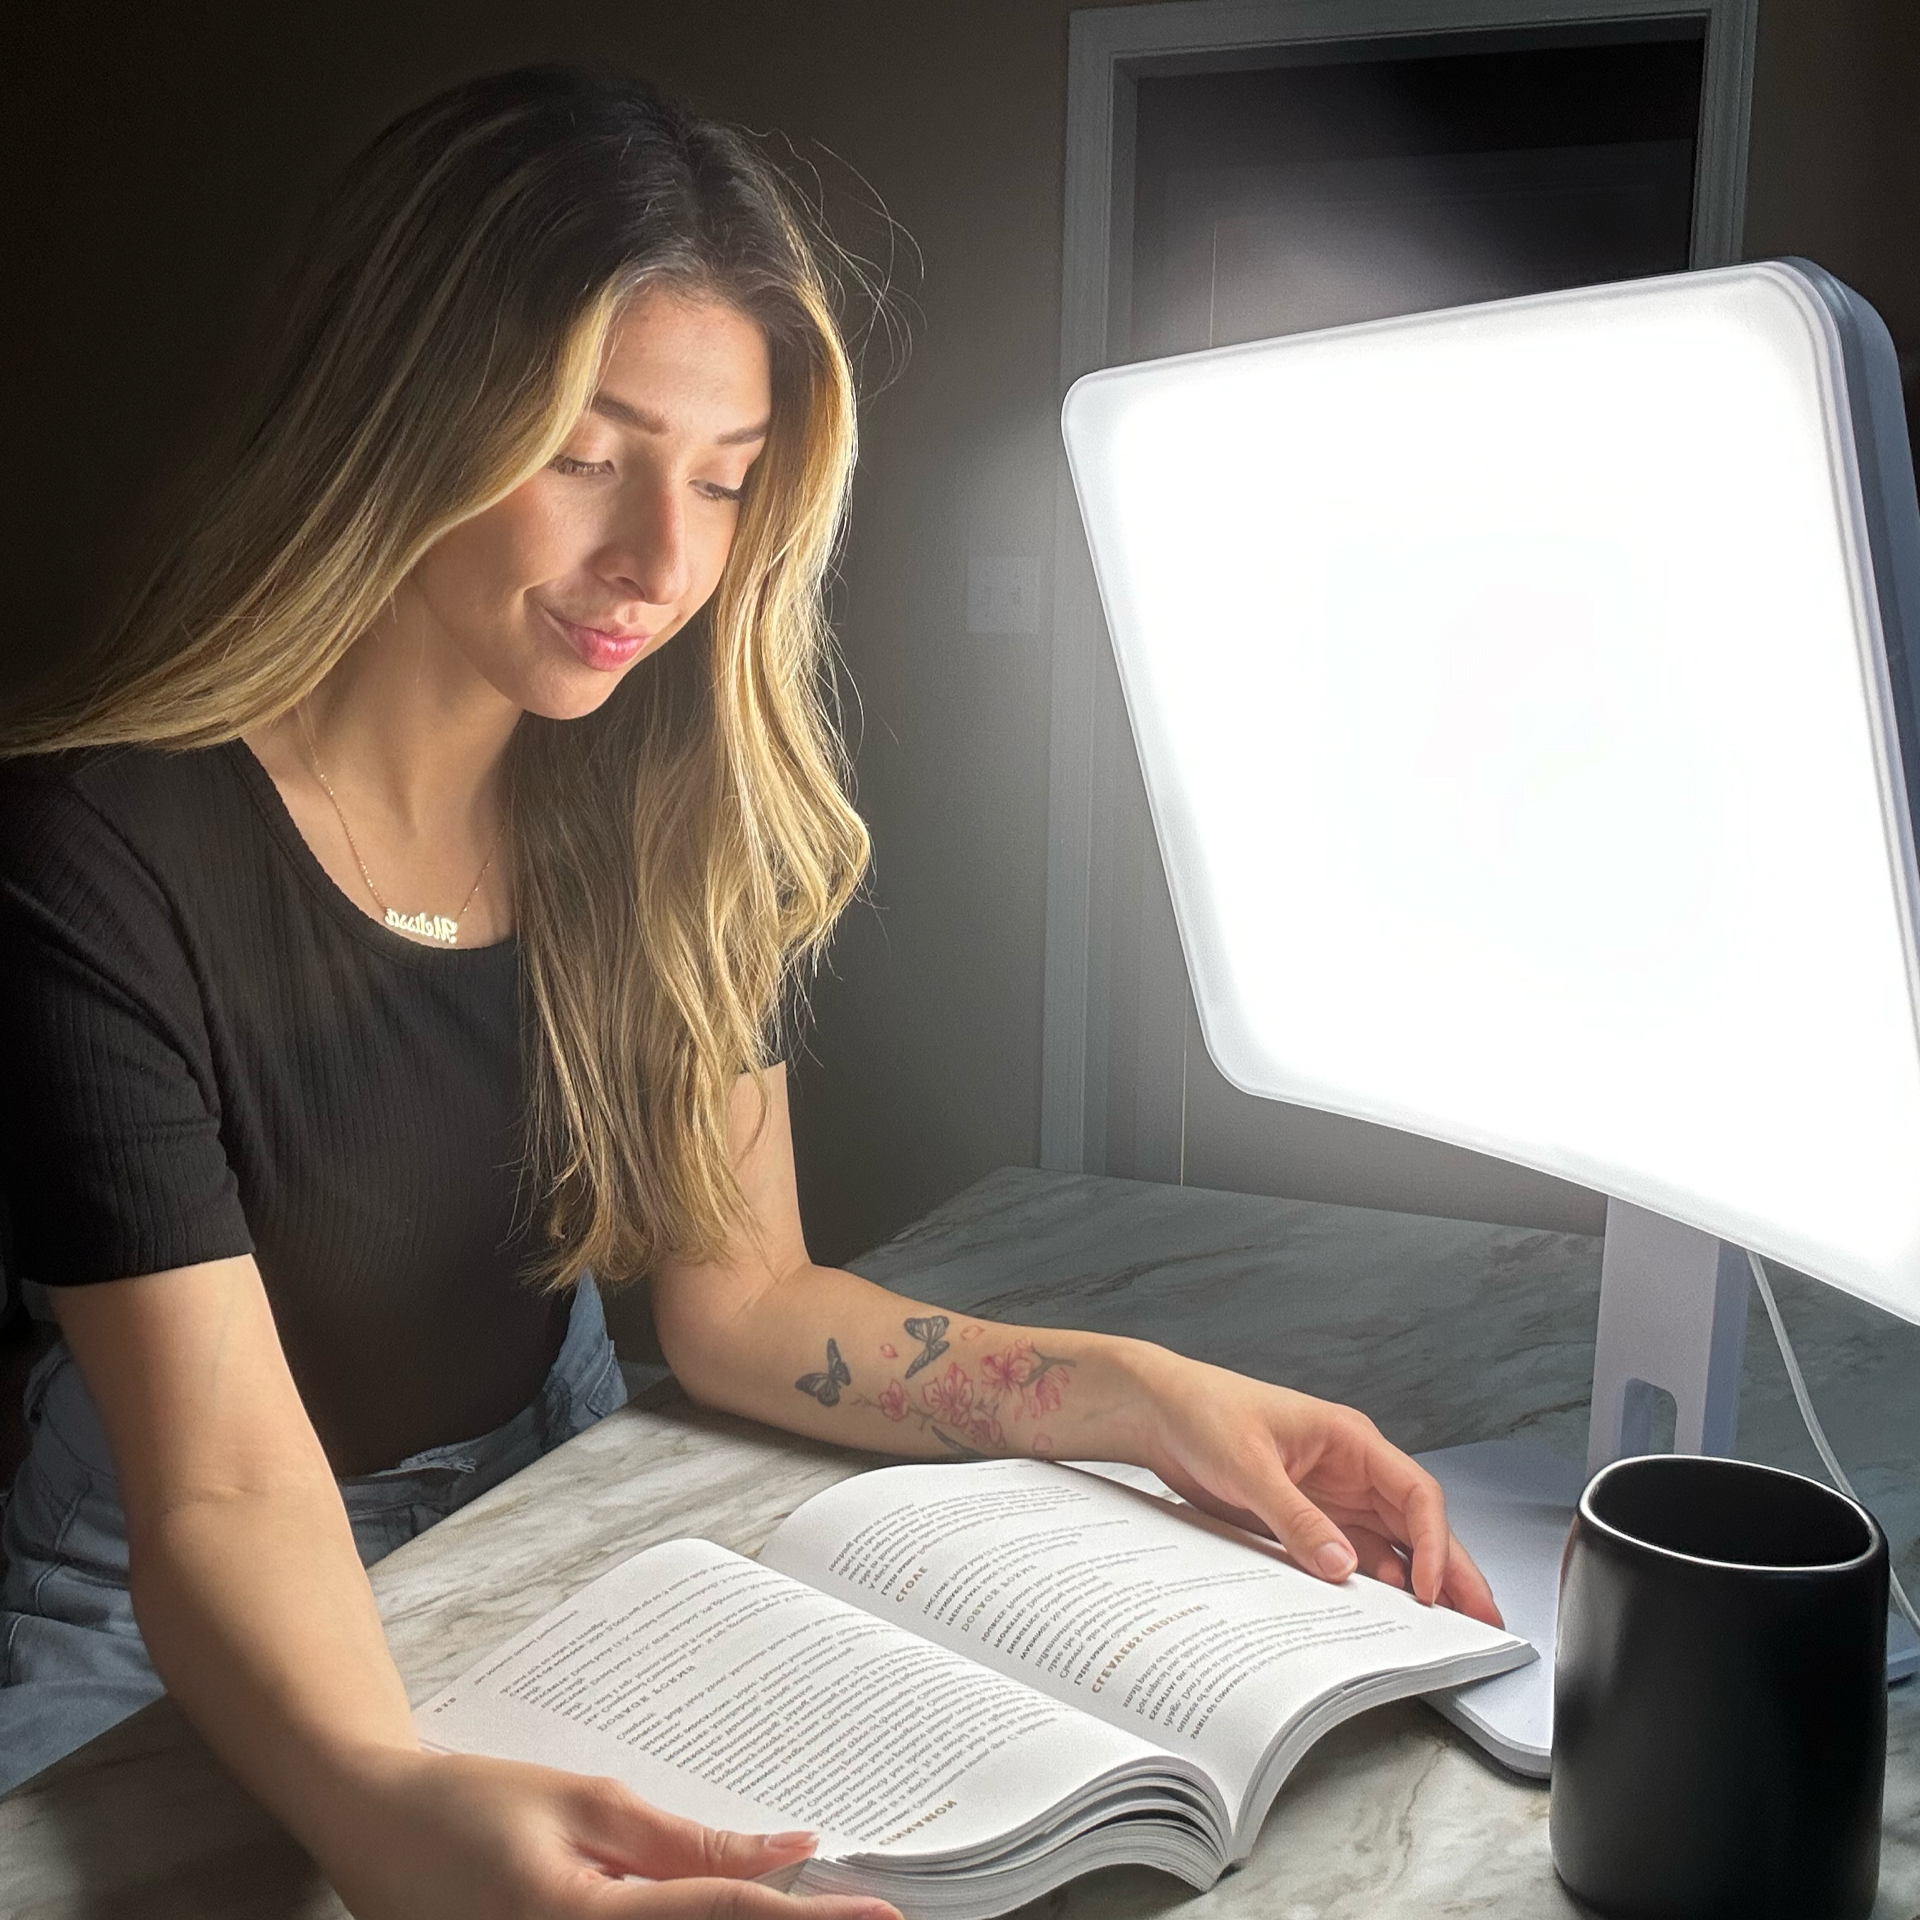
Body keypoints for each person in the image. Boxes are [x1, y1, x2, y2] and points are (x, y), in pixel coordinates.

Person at [0, 63, 1498, 1919]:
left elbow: (745, 1307)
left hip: (548, 1485)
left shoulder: (667, 805)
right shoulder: (94, 859)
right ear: (395, 417)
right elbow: (224, 1490)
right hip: (163, 1588)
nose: (661, 563)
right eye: (587, 455)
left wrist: (1146, 1393)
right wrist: (386, 1809)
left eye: (721, 483)